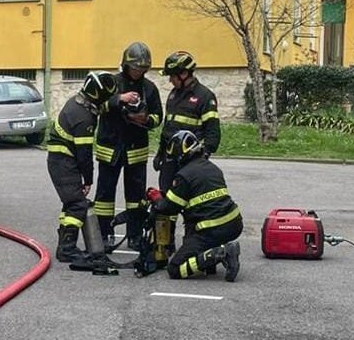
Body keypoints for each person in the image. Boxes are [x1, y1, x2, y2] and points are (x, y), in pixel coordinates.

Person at [92, 41, 163, 250]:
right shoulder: (112, 83)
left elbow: (159, 117)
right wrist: (119, 99)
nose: (138, 72)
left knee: (135, 198)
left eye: (142, 69)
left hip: (136, 150)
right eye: (135, 68)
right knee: (104, 196)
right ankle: (104, 234)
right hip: (110, 148)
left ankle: (134, 235)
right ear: (126, 65)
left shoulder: (149, 88)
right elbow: (99, 106)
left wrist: (145, 120)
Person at [146, 129, 242, 281]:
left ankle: (220, 253)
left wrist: (156, 197)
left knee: (175, 269)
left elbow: (168, 207)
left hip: (211, 230)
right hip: (234, 224)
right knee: (193, 233)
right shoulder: (212, 167)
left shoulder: (184, 176)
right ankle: (210, 260)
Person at [46, 71, 117, 263]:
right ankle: (67, 249)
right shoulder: (84, 118)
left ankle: (65, 245)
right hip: (64, 163)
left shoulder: (77, 104)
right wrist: (88, 180)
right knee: (77, 204)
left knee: (70, 203)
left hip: (61, 161)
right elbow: (84, 155)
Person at [155, 51, 220, 194]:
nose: (170, 80)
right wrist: (160, 153)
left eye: (172, 76)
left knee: (190, 200)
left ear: (184, 74)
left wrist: (204, 156)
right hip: (170, 159)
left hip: (191, 161)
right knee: (166, 199)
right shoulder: (173, 95)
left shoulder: (205, 96)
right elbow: (168, 126)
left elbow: (213, 132)